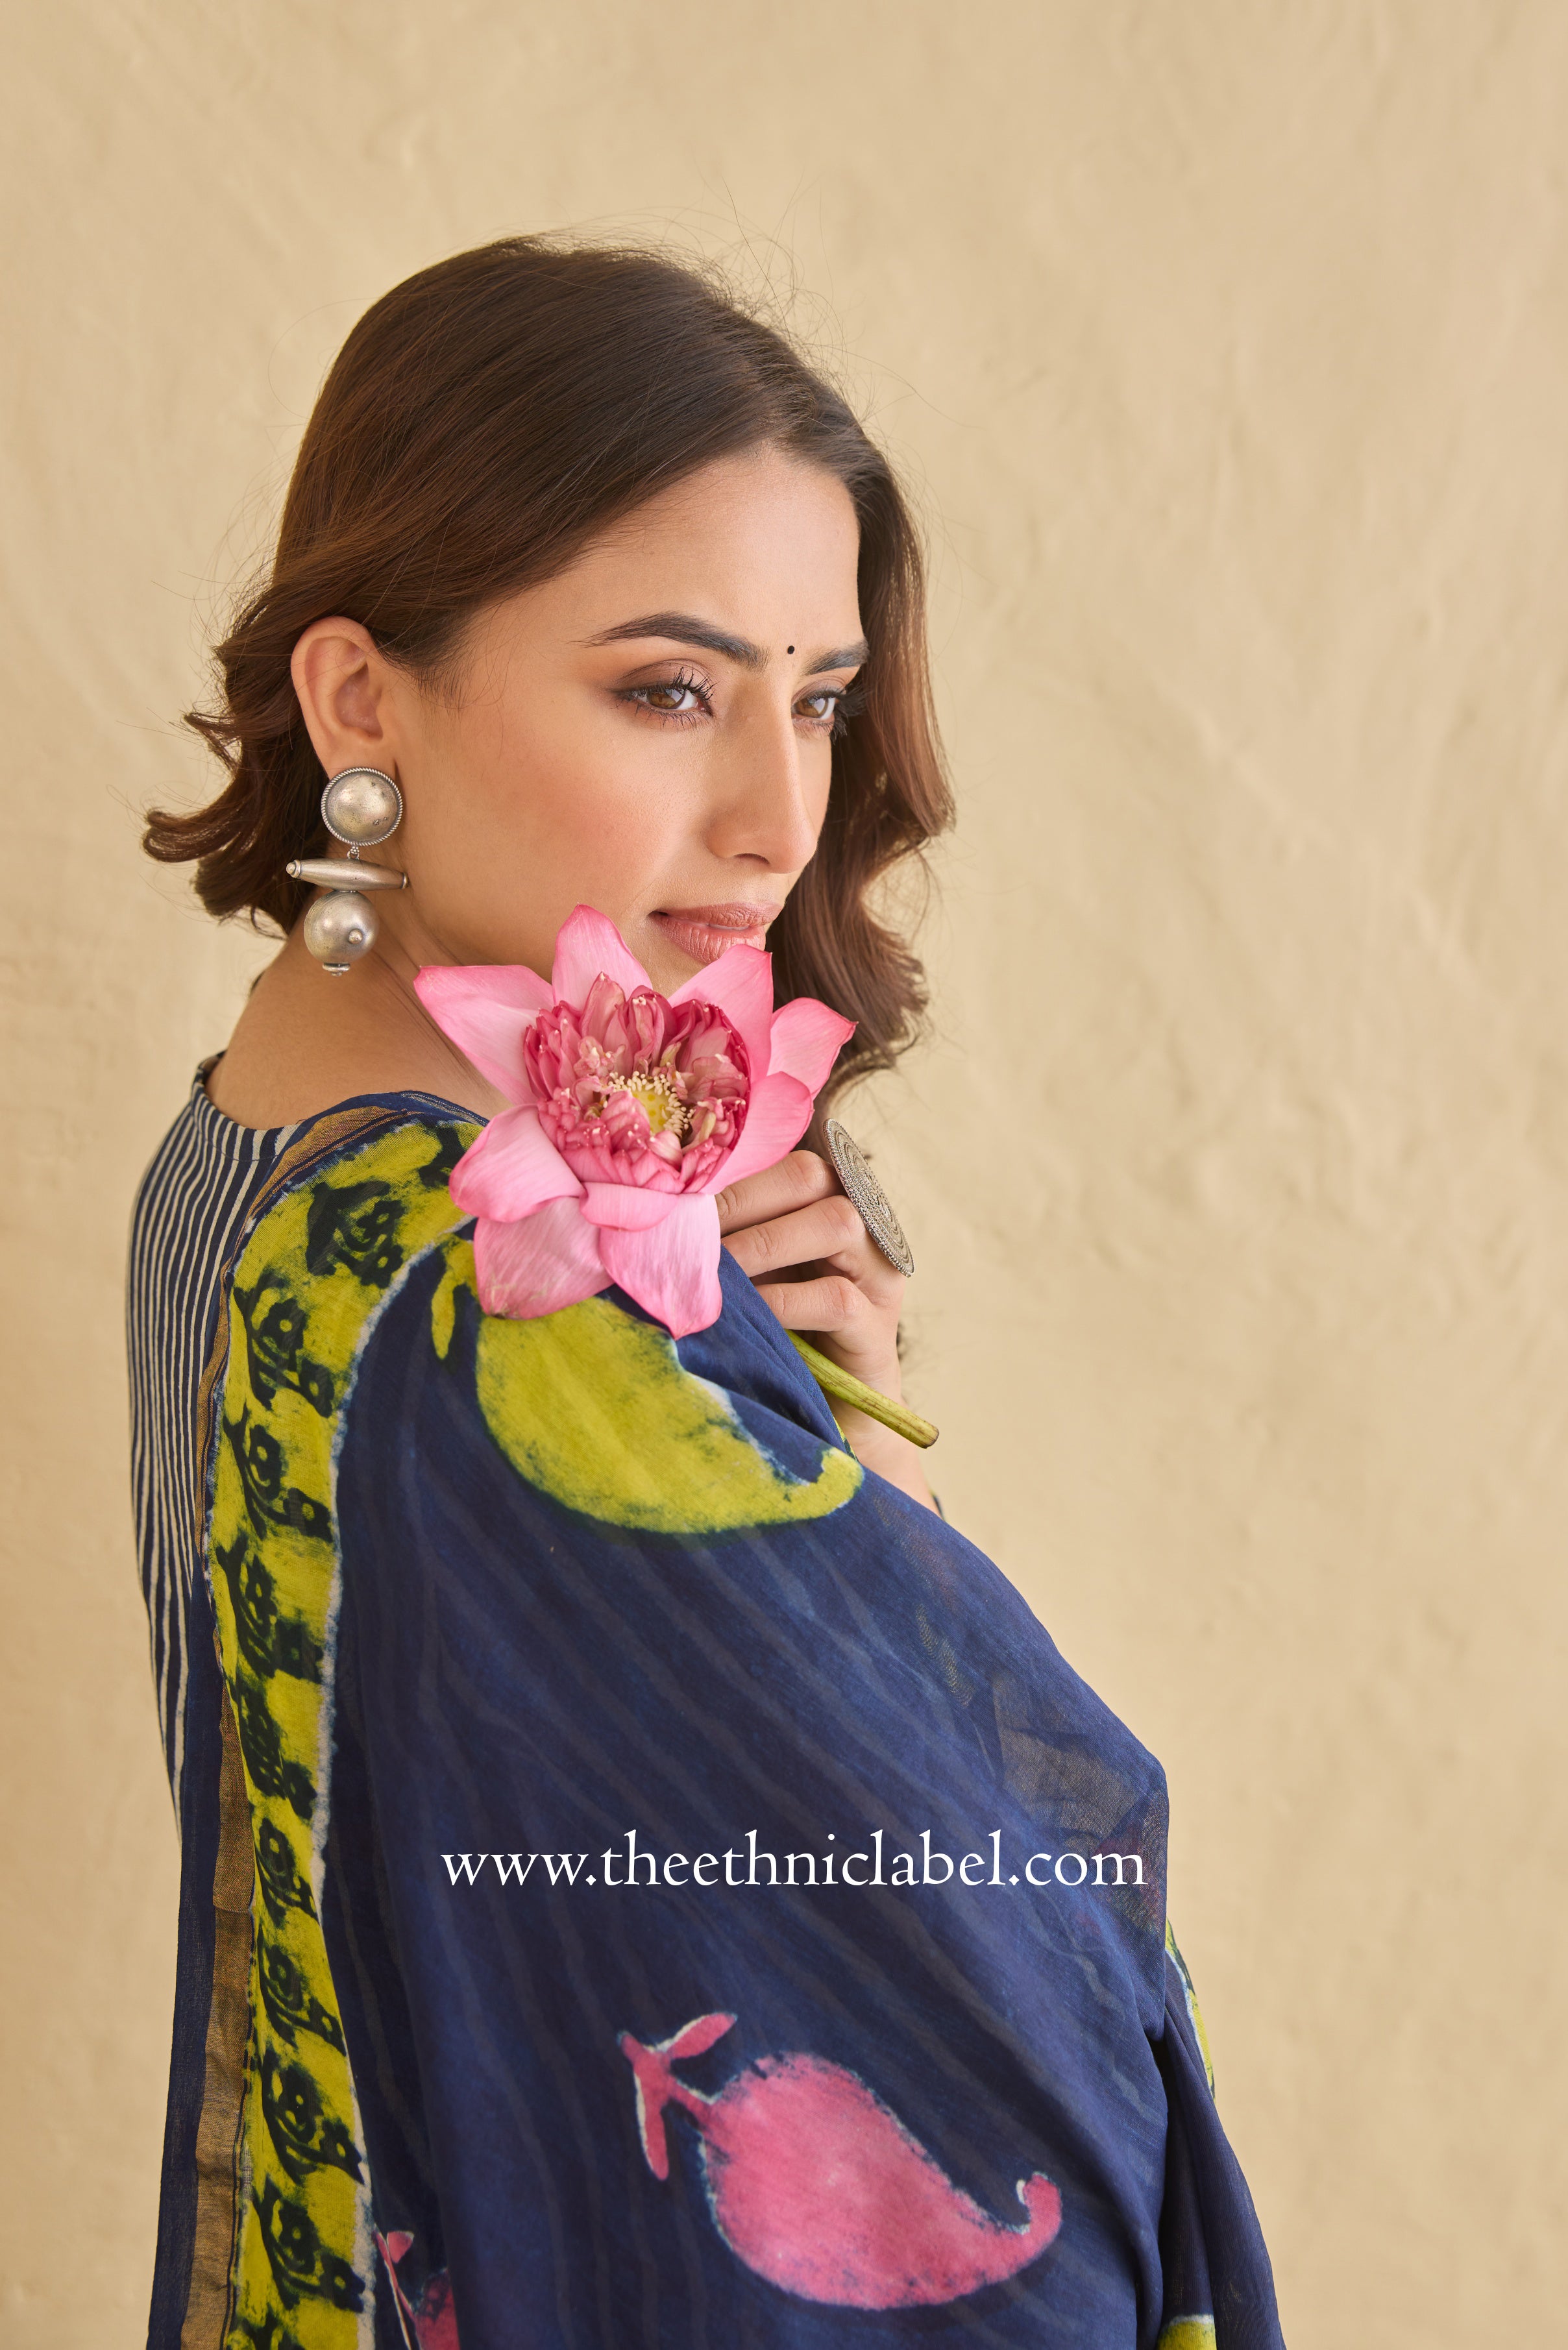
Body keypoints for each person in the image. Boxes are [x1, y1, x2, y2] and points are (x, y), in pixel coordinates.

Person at [128, 239, 1284, 2350]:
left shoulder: (251, 1133)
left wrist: (785, 1413)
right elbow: (985, 1960)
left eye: (815, 698)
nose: (776, 818)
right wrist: (850, 1478)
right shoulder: (502, 1298)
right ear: (360, 697)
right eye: (670, 690)